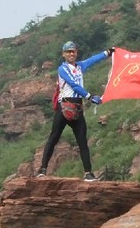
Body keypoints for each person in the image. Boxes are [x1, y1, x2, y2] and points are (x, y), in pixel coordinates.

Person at [37, 41, 113, 181]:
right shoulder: (63, 69)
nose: (71, 54)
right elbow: (73, 84)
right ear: (64, 54)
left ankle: (88, 173)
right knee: (53, 137)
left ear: (76, 53)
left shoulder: (80, 66)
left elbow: (92, 60)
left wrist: (107, 53)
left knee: (82, 140)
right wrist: (89, 96)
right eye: (68, 52)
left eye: (73, 51)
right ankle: (42, 168)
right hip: (65, 105)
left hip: (77, 107)